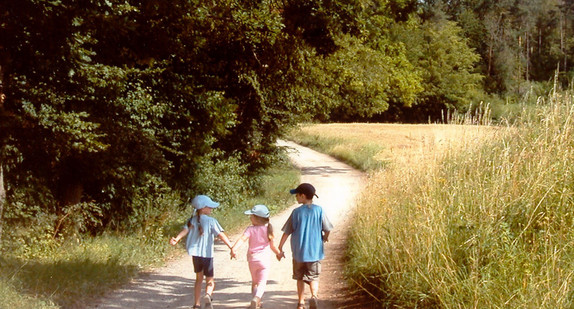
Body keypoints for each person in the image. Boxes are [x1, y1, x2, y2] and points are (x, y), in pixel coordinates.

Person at [170, 195, 233, 309]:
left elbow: (185, 230)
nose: (211, 209)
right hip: (207, 255)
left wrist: (176, 239)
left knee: (199, 279)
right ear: (203, 208)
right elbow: (221, 235)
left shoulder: (192, 220)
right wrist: (231, 247)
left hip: (196, 255)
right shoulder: (211, 221)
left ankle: (197, 304)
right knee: (210, 280)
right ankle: (208, 295)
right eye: (209, 207)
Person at [277, 183, 333, 309]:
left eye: (297, 195)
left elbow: (287, 231)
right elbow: (328, 228)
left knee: (300, 277)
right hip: (315, 253)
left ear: (302, 196)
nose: (296, 198)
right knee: (313, 277)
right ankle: (314, 296)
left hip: (298, 253)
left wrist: (280, 247)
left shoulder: (296, 212)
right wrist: (325, 238)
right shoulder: (319, 210)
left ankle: (301, 302)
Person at [230, 204, 281, 309]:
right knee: (262, 282)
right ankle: (257, 299)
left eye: (251, 216)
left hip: (252, 259)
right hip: (264, 260)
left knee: (255, 281)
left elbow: (242, 239)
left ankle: (256, 302)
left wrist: (234, 249)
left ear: (257, 218)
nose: (250, 217)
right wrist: (279, 253)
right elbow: (272, 246)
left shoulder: (250, 229)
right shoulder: (268, 229)